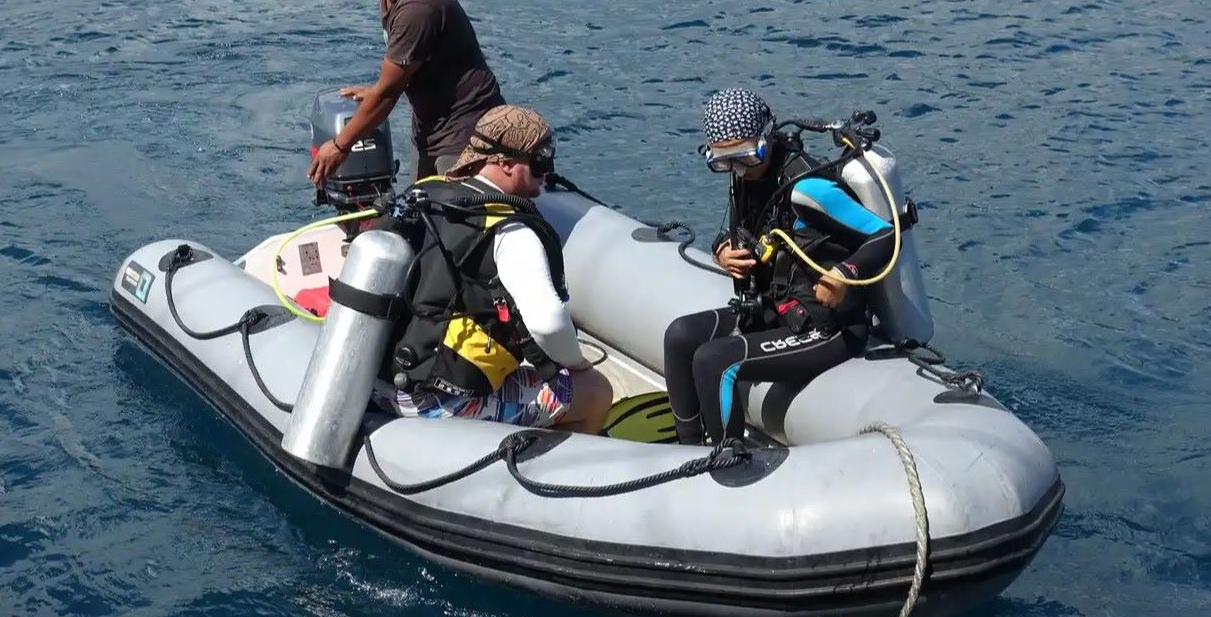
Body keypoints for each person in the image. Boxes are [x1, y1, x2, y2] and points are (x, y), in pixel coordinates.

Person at [663, 89, 896, 445]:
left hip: (823, 326)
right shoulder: (747, 176)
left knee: (714, 360)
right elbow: (741, 231)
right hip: (773, 310)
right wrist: (721, 251)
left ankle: (729, 461)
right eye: (724, 162)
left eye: (745, 157)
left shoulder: (807, 188)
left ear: (767, 137)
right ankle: (688, 448)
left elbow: (884, 235)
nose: (737, 169)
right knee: (679, 336)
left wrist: (844, 274)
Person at [371, 105, 612, 433]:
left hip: (382, 383)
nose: (547, 169)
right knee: (595, 391)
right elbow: (548, 324)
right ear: (505, 162)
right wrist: (576, 364)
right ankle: (556, 474)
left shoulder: (426, 195)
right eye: (540, 158)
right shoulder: (511, 231)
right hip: (441, 402)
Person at [309, 0, 504, 186]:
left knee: (450, 224)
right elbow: (403, 72)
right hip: (431, 128)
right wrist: (378, 90)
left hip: (464, 133)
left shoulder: (418, 4)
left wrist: (340, 146)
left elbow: (389, 95)